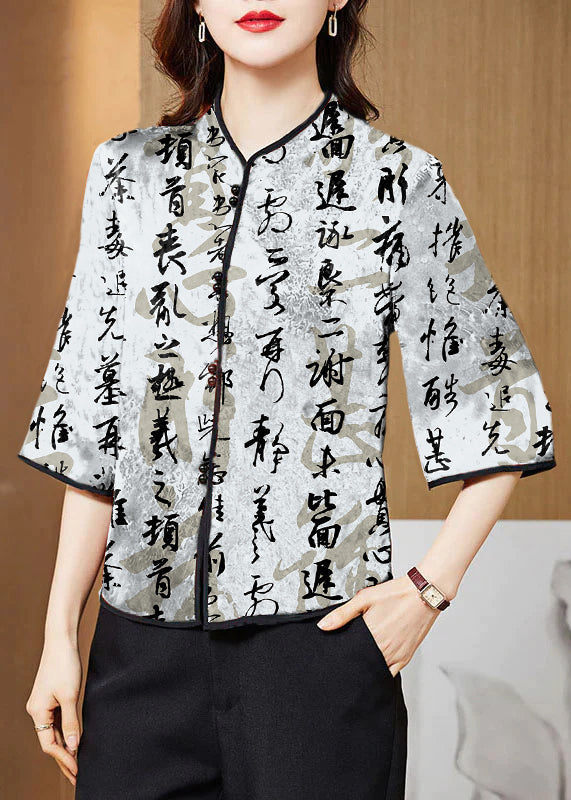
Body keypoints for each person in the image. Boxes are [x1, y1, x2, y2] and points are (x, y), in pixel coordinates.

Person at [19, 1, 556, 798]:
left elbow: (495, 403)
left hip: (318, 661)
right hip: (138, 658)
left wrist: (426, 593)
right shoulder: (129, 174)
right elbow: (95, 426)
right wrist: (60, 633)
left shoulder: (396, 181)